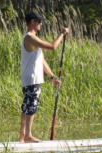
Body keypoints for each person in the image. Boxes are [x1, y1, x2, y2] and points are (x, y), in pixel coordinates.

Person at [19, 12, 69, 143]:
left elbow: (41, 60)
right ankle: (28, 135)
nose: (41, 24)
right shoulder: (30, 37)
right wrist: (62, 34)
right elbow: (52, 46)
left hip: (30, 79)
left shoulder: (33, 39)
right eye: (39, 21)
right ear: (32, 22)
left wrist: (52, 76)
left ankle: (22, 136)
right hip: (32, 79)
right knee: (31, 105)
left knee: (26, 105)